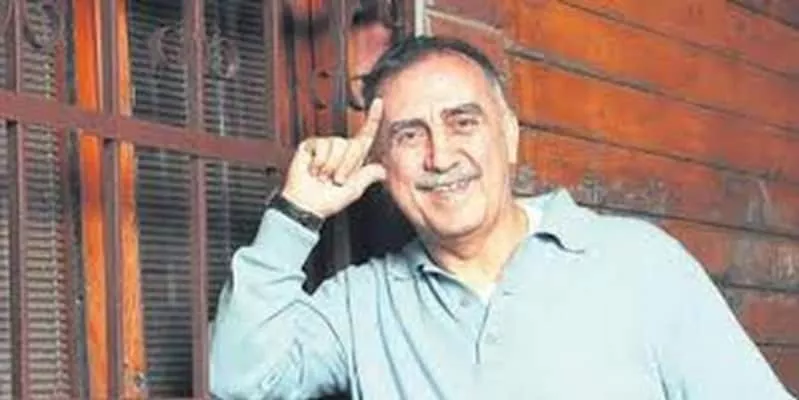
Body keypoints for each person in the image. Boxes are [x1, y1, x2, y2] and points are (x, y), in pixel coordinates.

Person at [208, 36, 795, 400]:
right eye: (410, 135)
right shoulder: (362, 304)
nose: (440, 156)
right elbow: (242, 381)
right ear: (382, 163)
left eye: (463, 122)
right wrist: (296, 215)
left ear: (509, 136)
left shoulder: (639, 262)